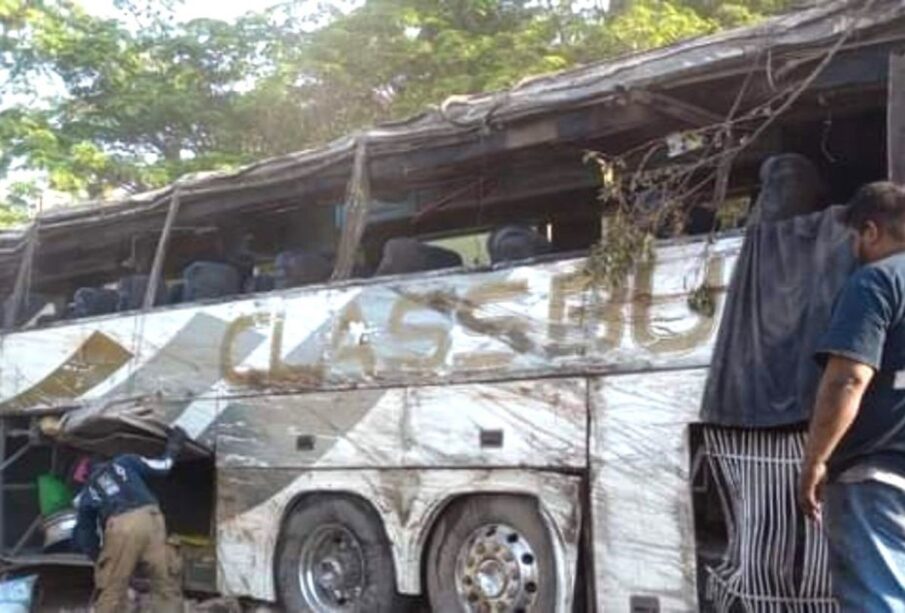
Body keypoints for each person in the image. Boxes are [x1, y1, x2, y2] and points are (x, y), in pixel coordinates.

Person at [799, 182, 905, 611]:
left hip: (877, 477)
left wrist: (815, 460)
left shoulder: (876, 281)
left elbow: (848, 379)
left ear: (872, 230)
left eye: (854, 237)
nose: (854, 247)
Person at [73, 427, 188, 613]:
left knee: (112, 587)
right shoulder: (125, 461)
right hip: (153, 518)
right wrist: (175, 444)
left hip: (122, 524)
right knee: (165, 584)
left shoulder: (88, 491)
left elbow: (85, 533)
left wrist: (99, 558)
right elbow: (164, 467)